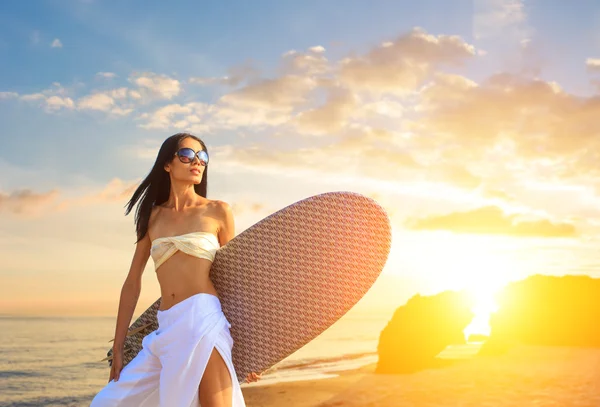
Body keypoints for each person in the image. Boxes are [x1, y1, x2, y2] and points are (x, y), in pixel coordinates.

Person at [90, 133, 260, 407]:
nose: (197, 162)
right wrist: (119, 346)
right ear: (167, 164)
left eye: (202, 157)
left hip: (202, 318)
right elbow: (132, 282)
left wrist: (252, 350)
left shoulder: (218, 211)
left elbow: (236, 281)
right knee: (108, 402)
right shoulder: (152, 217)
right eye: (187, 155)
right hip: (165, 326)